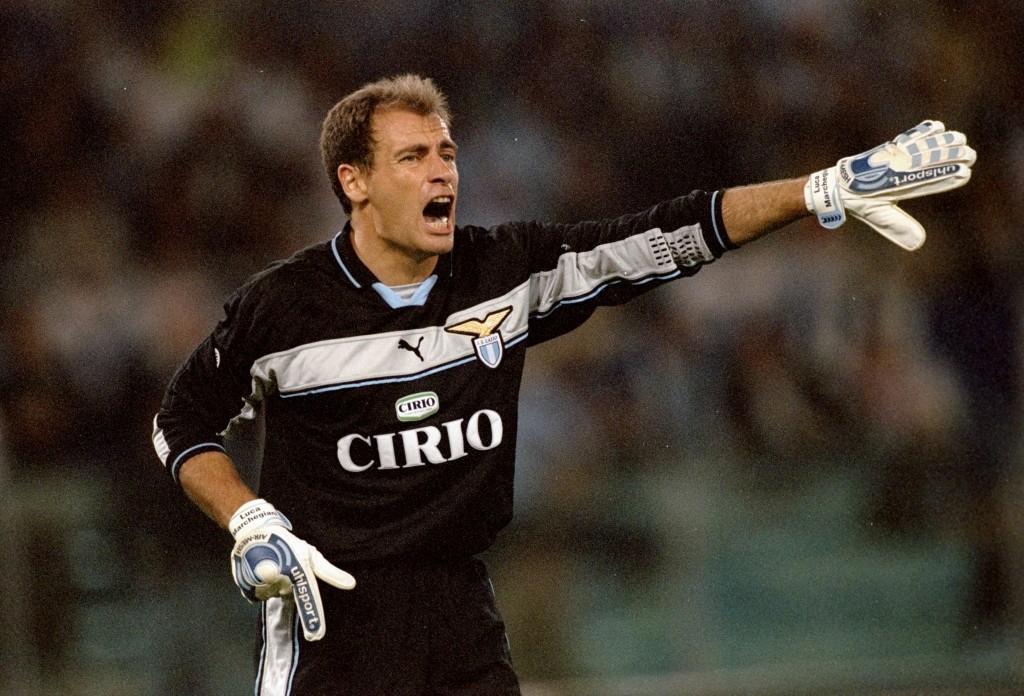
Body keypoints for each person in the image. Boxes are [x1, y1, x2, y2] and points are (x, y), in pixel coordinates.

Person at [151, 74, 975, 695]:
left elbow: (663, 234)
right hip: (330, 617)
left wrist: (819, 191)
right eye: (413, 157)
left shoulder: (504, 271)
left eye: (448, 153)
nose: (442, 173)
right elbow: (181, 422)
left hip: (459, 608)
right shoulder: (281, 308)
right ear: (353, 182)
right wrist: (248, 516)